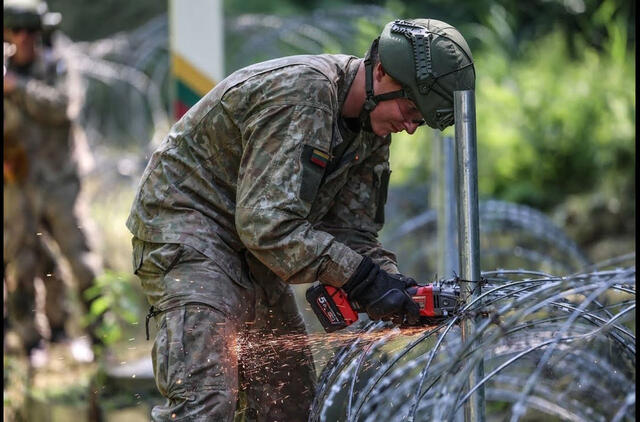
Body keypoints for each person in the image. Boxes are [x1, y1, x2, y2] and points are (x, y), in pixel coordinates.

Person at [128, 18, 474, 421]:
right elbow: (266, 224)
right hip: (189, 230)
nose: (411, 127)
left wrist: (390, 283)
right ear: (381, 72)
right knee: (204, 405)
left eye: (421, 120)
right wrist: (361, 278)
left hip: (254, 247)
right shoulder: (302, 96)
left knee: (287, 403)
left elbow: (352, 232)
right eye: (410, 109)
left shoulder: (372, 129)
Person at [3, 0, 103, 363]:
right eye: (15, 30)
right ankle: (32, 342)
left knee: (83, 263)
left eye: (30, 30)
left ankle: (100, 339)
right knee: (22, 264)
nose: (23, 38)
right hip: (18, 184)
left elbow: (65, 106)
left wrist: (18, 88)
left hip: (61, 182)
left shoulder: (58, 65)